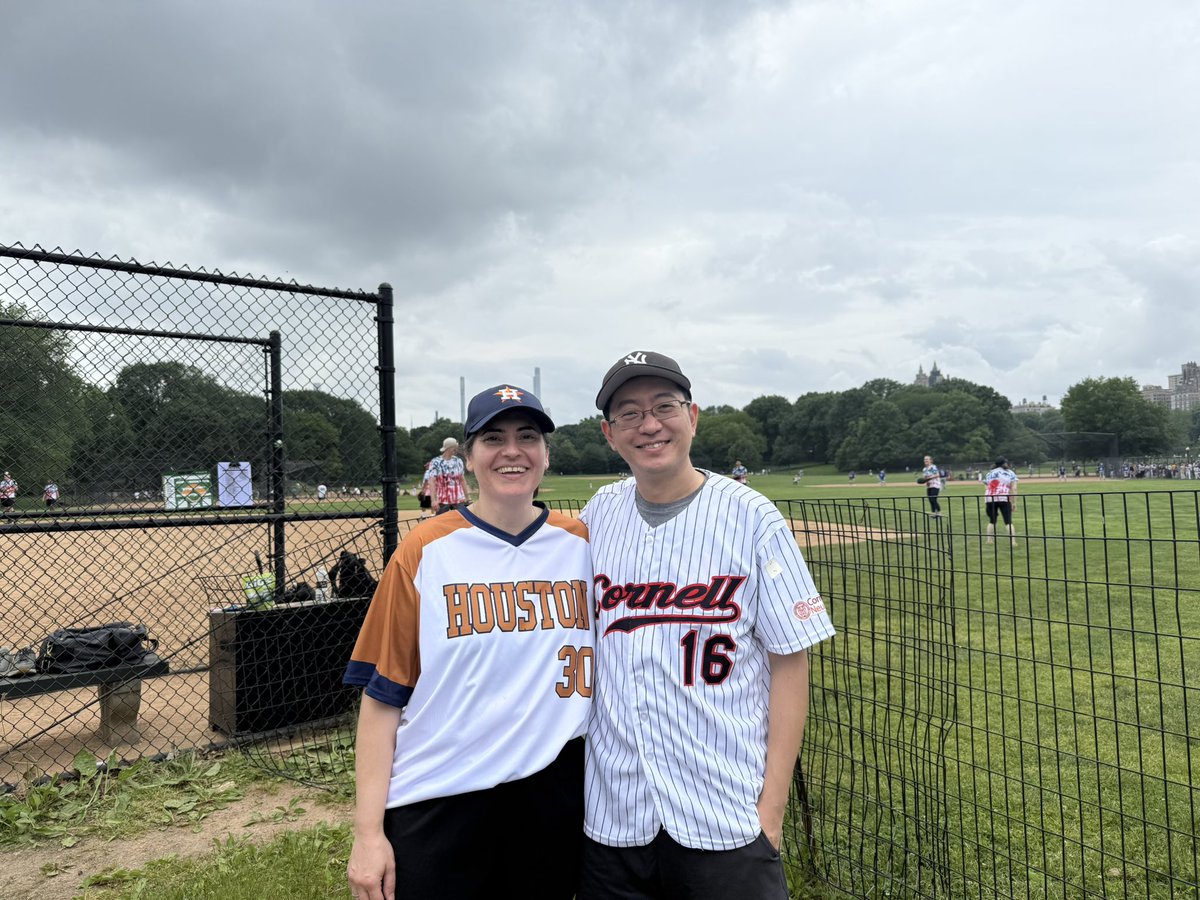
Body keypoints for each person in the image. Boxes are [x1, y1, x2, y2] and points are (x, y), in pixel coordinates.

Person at [578, 351, 835, 900]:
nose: (649, 424)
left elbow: (791, 662)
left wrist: (772, 810)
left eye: (663, 406)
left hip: (726, 812)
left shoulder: (751, 516)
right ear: (609, 433)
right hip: (615, 816)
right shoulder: (598, 514)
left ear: (692, 416)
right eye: (629, 413)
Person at [344, 384, 593, 900]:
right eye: (493, 437)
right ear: (470, 457)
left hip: (551, 792)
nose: (512, 450)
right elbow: (382, 697)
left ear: (546, 456)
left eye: (528, 436)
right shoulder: (425, 549)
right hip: (439, 793)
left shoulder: (583, 544)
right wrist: (367, 834)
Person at [423, 436, 471, 514]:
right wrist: (433, 500)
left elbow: (462, 480)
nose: (457, 449)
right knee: (441, 523)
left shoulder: (458, 461)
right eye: (455, 447)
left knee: (461, 522)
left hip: (459, 499)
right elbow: (432, 482)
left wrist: (468, 498)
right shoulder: (436, 462)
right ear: (449, 448)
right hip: (442, 500)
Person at [983, 456, 1019, 546]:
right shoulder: (1010, 473)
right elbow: (1014, 488)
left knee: (992, 520)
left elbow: (986, 486)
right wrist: (1014, 502)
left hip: (990, 498)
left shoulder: (990, 473)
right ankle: (1013, 542)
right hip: (1003, 497)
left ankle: (989, 540)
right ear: (1004, 464)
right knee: (1008, 521)